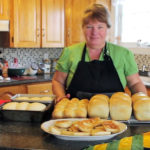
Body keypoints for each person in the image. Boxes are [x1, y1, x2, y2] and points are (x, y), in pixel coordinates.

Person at [52, 3, 147, 103]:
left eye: (100, 27)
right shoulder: (69, 52)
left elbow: (135, 83)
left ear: (108, 29)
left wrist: (142, 101)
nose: (94, 32)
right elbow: (58, 81)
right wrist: (61, 97)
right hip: (75, 114)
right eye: (89, 27)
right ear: (83, 28)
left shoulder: (123, 54)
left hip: (115, 116)